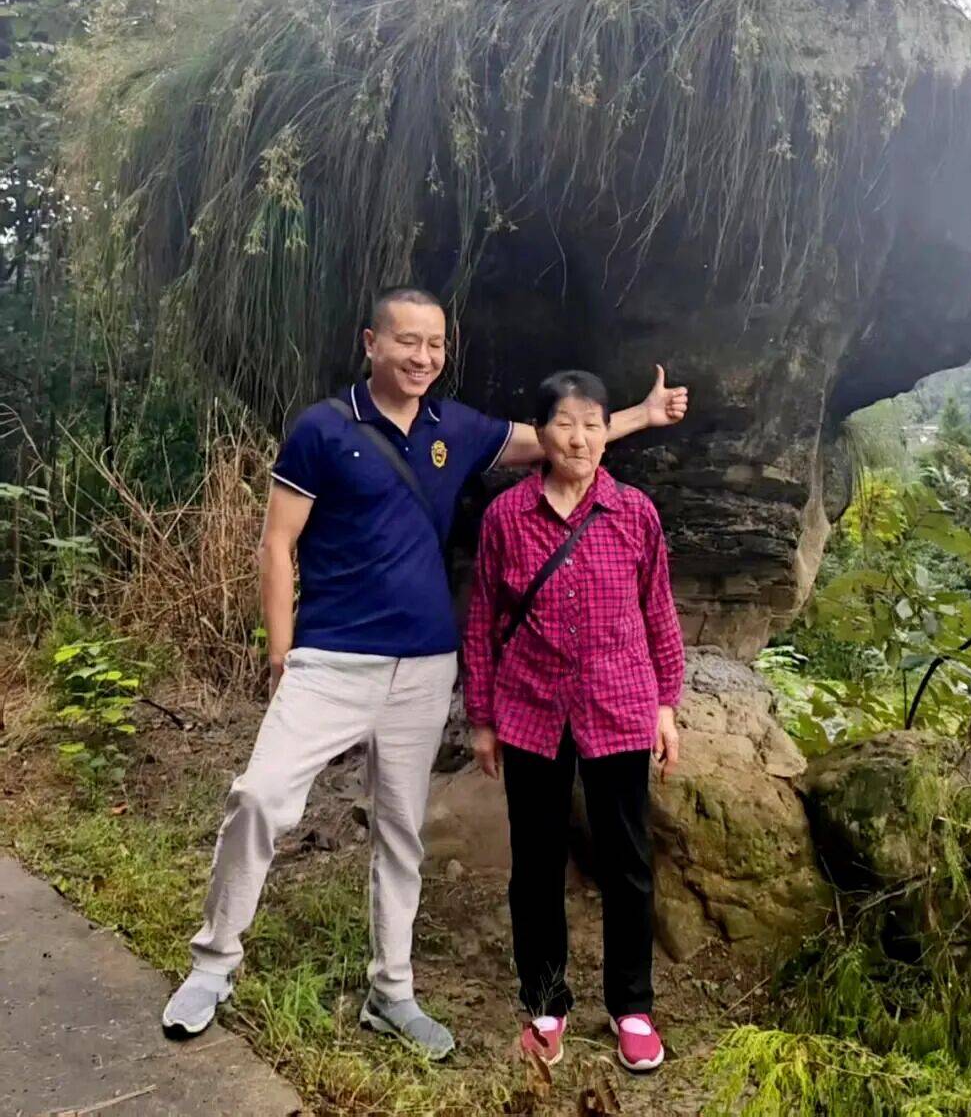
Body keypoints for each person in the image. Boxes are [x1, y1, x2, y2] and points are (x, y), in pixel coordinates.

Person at [162, 289, 688, 1058]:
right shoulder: (323, 428)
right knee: (259, 798)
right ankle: (213, 965)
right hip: (331, 659)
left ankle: (392, 993)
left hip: (424, 666)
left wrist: (639, 415)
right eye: (406, 341)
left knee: (402, 832)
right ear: (370, 342)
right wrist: (281, 653)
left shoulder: (457, 428)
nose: (422, 356)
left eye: (435, 344)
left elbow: (558, 439)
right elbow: (276, 544)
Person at [463, 369, 684, 1076]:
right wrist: (481, 716)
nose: (579, 438)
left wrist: (666, 704)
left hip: (619, 704)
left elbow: (658, 609)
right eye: (565, 423)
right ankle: (545, 1003)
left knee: (628, 862)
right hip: (530, 709)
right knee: (535, 865)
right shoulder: (506, 517)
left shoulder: (634, 512)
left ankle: (632, 1006)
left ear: (606, 432)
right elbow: (483, 619)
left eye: (592, 424)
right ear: (542, 433)